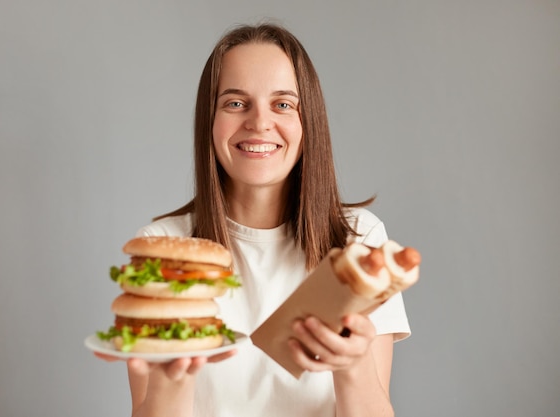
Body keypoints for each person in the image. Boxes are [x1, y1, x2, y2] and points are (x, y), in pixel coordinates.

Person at [96, 23, 411, 417]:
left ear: (307, 120)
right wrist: (170, 380)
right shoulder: (162, 248)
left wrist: (352, 365)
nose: (259, 123)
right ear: (208, 121)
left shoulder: (359, 243)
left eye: (282, 104)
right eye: (235, 103)